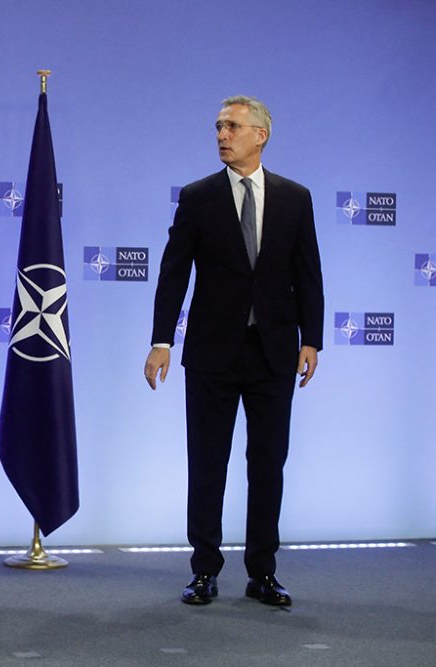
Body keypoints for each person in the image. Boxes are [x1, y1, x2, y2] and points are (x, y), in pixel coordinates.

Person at [144, 96, 324, 607]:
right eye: (218, 127)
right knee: (207, 463)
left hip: (273, 352)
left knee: (268, 464)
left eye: (233, 126)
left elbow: (308, 271)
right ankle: (204, 570)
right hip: (210, 354)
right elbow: (174, 270)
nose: (222, 134)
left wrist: (312, 338)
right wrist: (162, 340)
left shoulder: (295, 197)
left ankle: (262, 572)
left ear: (261, 134)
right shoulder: (199, 196)